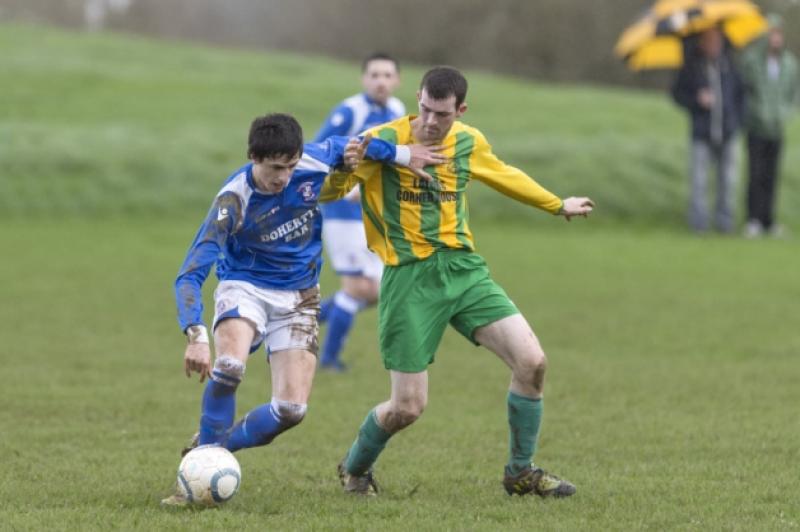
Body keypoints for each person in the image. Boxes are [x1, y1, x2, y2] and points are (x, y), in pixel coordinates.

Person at [322, 66, 594, 498]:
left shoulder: (468, 141)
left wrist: (557, 204)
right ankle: (355, 469)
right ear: (417, 98)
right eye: (426, 110)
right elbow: (329, 193)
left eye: (443, 114)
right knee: (407, 407)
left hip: (464, 271)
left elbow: (505, 175)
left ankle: (520, 473)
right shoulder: (383, 141)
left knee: (532, 363)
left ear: (461, 110)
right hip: (409, 278)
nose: (431, 121)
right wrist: (342, 169)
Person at [162, 113, 445, 506]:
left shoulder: (314, 158)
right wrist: (195, 335)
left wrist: (403, 154)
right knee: (229, 366)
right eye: (275, 168)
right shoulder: (232, 200)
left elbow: (359, 145)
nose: (283, 177)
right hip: (244, 285)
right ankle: (194, 479)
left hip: (300, 296)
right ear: (253, 157)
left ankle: (214, 448)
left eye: (291, 167)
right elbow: (190, 273)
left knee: (291, 410)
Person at [315, 53, 407, 371]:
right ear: (363, 79)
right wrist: (344, 186)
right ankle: (328, 360)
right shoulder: (350, 111)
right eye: (374, 75)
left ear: (397, 80)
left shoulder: (397, 111)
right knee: (360, 288)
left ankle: (295, 324)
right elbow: (317, 153)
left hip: (373, 214)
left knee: (376, 290)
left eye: (387, 75)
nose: (381, 81)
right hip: (341, 212)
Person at [671, 27, 746, 234]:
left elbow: (742, 96)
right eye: (709, 41)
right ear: (702, 43)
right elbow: (677, 94)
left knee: (728, 181)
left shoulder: (730, 66)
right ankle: (699, 224)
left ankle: (725, 223)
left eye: (717, 40)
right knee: (699, 181)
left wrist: (737, 122)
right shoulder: (692, 67)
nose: (714, 45)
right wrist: (697, 99)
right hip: (702, 133)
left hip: (728, 132)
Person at [739, 14, 798, 238]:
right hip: (756, 127)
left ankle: (768, 220)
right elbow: (745, 91)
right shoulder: (751, 60)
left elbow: (792, 94)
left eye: (778, 34)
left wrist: (784, 113)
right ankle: (753, 219)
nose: (775, 38)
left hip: (777, 127)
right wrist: (757, 112)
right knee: (756, 173)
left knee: (772, 176)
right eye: (772, 33)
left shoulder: (789, 64)